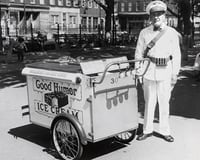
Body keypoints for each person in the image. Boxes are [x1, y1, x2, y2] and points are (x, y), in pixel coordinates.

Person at [135, 0, 181, 142]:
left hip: (165, 71)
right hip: (149, 71)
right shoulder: (144, 33)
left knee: (164, 102)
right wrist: (138, 72)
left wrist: (175, 74)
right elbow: (138, 53)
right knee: (149, 102)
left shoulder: (172, 33)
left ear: (164, 15)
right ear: (150, 16)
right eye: (153, 14)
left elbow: (177, 54)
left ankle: (165, 131)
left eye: (159, 14)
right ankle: (147, 130)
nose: (156, 17)